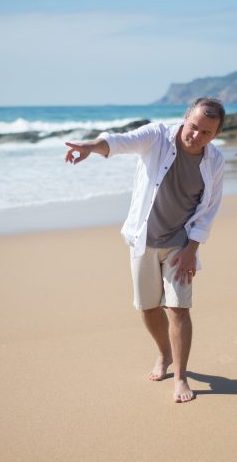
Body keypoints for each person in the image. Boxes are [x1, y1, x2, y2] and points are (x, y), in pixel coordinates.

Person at [64, 98, 226, 403]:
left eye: (206, 132)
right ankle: (164, 354)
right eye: (194, 127)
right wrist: (91, 146)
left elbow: (209, 209)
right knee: (148, 307)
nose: (197, 136)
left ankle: (180, 377)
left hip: (180, 244)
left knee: (178, 308)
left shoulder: (215, 161)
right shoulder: (158, 136)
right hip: (143, 239)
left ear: (215, 135)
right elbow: (120, 142)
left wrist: (193, 248)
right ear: (184, 119)